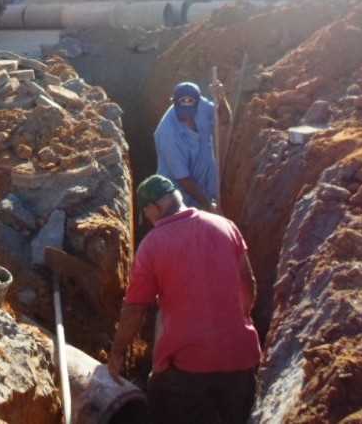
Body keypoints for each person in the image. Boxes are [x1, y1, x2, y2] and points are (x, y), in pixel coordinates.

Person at [108, 175, 261, 424]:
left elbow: (135, 309)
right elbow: (249, 284)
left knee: (158, 402)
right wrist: (235, 322)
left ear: (152, 208)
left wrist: (117, 353)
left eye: (146, 214)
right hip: (241, 361)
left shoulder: (152, 246)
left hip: (187, 370)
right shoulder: (226, 226)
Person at [154, 81, 230, 211]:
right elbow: (184, 179)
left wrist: (221, 99)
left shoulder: (202, 105)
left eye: (190, 112)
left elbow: (225, 119)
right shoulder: (167, 133)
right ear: (174, 103)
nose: (187, 117)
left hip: (207, 184)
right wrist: (208, 205)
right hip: (178, 200)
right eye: (182, 112)